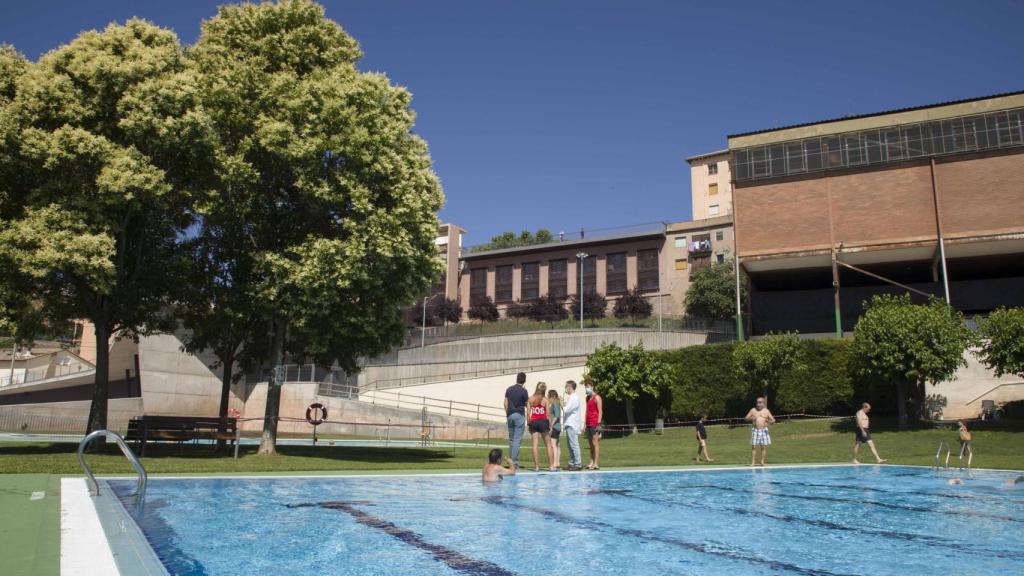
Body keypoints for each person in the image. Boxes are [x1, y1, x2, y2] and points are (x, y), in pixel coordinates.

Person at [504, 372, 529, 468]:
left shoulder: (509, 389)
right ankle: (513, 462)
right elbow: (528, 405)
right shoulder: (524, 391)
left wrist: (507, 414)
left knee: (511, 439)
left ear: (516, 379)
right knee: (517, 440)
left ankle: (513, 462)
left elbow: (505, 403)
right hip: (519, 415)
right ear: (524, 381)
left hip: (510, 415)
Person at [527, 382, 551, 471]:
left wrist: (528, 423)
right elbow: (548, 414)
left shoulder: (530, 399)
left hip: (533, 422)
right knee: (548, 444)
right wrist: (550, 425)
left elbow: (528, 413)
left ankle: (537, 466)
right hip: (543, 421)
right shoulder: (545, 400)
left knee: (535, 445)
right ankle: (551, 466)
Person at [745, 396, 775, 467]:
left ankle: (762, 462)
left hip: (764, 431)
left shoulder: (766, 411)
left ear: (763, 403)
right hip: (755, 430)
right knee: (754, 447)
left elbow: (773, 420)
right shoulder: (753, 410)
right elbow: (746, 418)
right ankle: (753, 462)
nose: (758, 404)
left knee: (763, 447)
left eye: (760, 402)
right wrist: (752, 418)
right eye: (757, 402)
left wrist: (769, 422)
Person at [562, 380, 583, 470]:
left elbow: (566, 410)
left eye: (566, 386)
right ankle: (572, 462)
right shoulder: (571, 398)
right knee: (570, 444)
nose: (565, 388)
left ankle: (578, 463)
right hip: (569, 423)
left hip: (572, 424)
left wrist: (560, 402)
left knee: (574, 444)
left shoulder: (574, 398)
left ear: (570, 387)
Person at [584, 379, 603, 470]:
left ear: (592, 387)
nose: (586, 389)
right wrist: (584, 424)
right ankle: (591, 461)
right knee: (590, 444)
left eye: (587, 387)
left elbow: (600, 411)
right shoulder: (587, 398)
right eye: (585, 387)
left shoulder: (597, 398)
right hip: (588, 423)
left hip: (595, 423)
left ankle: (596, 463)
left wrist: (599, 424)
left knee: (595, 443)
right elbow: (586, 411)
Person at [547, 389, 563, 471]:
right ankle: (558, 462)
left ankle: (555, 463)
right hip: (558, 427)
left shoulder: (555, 403)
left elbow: (556, 416)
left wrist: (551, 425)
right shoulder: (556, 403)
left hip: (555, 427)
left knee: (553, 445)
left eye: (548, 396)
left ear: (552, 396)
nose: (548, 398)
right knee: (557, 445)